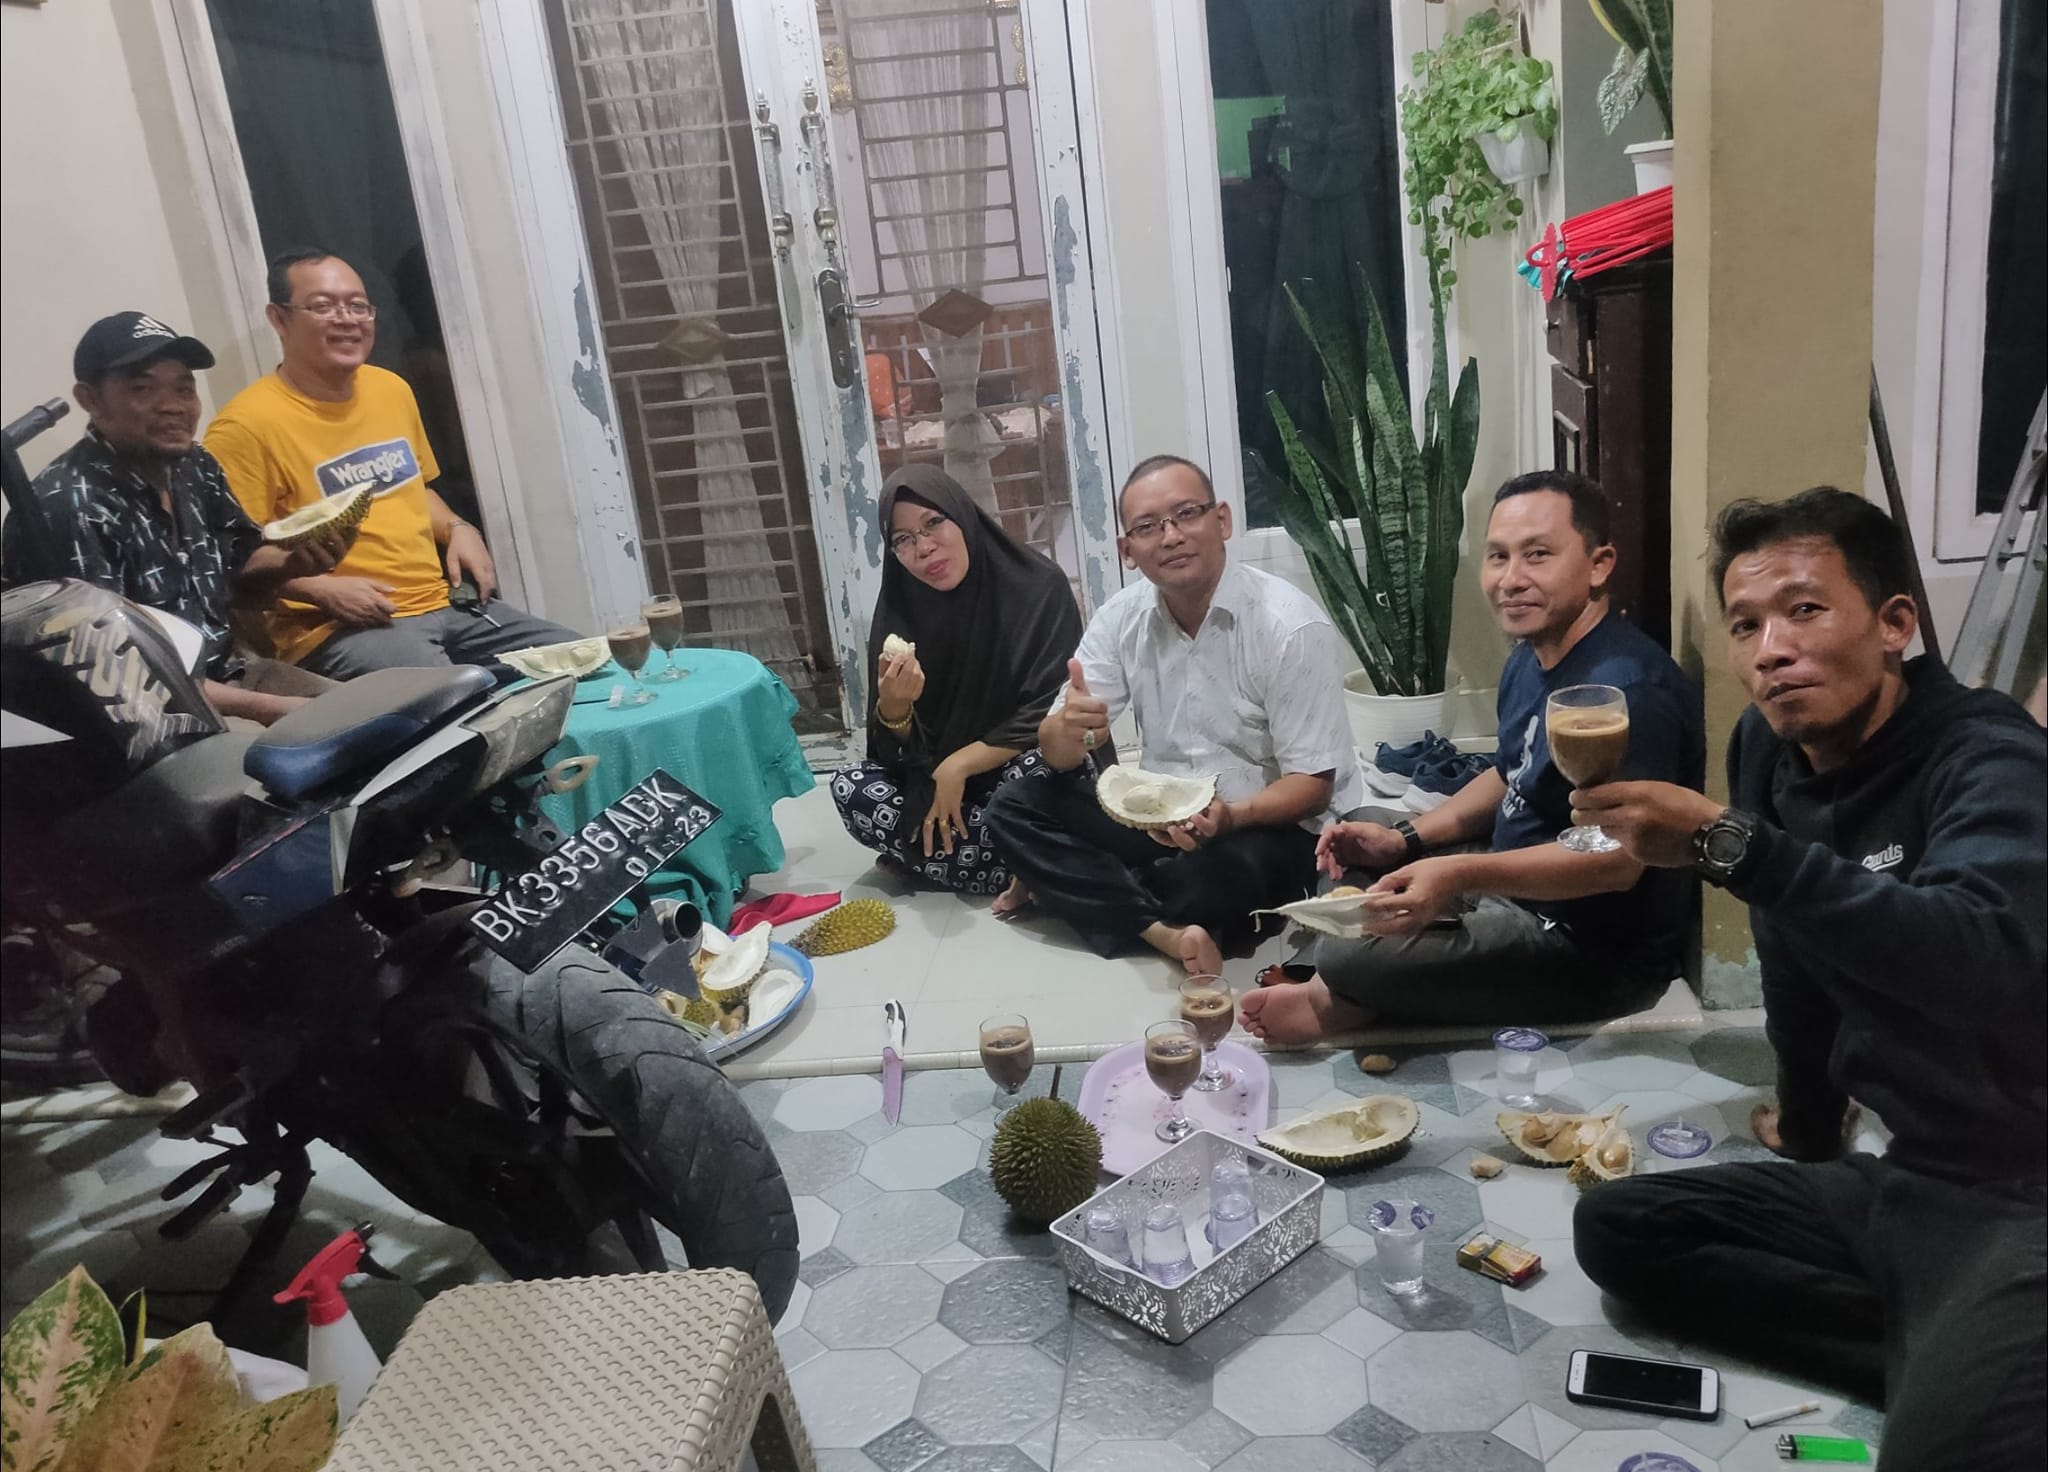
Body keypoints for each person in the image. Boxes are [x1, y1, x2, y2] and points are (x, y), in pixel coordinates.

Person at [1569, 487, 2046, 1470]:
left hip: (2023, 1185)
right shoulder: (1766, 746)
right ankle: (1953, 1357)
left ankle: (1968, 1378)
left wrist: (1731, 845)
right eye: (1745, 624)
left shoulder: (1988, 756)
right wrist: (1809, 1127)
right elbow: (1791, 958)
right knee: (1619, 1230)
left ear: (1893, 623)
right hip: (1913, 1177)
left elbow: (1979, 959)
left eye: (1804, 610)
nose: (1770, 650)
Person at [1240, 470, 1703, 1043]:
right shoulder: (1532, 655)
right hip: (1511, 876)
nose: (1511, 580)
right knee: (1358, 829)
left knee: (1346, 953)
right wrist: (1405, 839)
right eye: (1498, 556)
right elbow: (1508, 775)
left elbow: (1616, 863)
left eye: (1538, 555)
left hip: (1584, 944)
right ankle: (1366, 977)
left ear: (1599, 564)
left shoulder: (1626, 694)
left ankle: (1337, 993)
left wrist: (1456, 872)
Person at [981, 454, 1364, 976]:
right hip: (1159, 812)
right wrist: (1067, 730)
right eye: (1147, 527)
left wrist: (1230, 817)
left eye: (1187, 514)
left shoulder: (1288, 626)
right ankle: (1161, 931)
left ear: (1221, 520)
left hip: (1263, 822)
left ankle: (1082, 888)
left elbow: (1313, 787)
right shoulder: (1121, 618)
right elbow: (1057, 752)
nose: (1171, 537)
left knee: (1213, 882)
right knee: (1011, 806)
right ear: (1127, 551)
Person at [205, 248, 576, 676]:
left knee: (584, 664)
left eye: (358, 306)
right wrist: (321, 590)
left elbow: (412, 488)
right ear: (279, 319)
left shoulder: (390, 390)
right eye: (323, 306)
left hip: (444, 605)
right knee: (459, 702)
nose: (347, 319)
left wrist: (459, 527)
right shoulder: (245, 427)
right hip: (340, 629)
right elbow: (227, 562)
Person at [1, 312, 341, 725]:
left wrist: (294, 562)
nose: (173, 406)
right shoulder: (68, 509)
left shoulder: (195, 465)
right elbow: (117, 671)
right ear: (91, 400)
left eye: (184, 388)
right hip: (146, 717)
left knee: (381, 721)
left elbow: (242, 561)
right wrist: (275, 711)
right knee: (325, 744)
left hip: (231, 672)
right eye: (143, 388)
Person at [828, 465, 1082, 894]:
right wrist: (895, 709)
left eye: (933, 523)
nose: (924, 548)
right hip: (937, 788)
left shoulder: (1038, 588)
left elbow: (1052, 706)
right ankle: (1030, 867)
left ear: (962, 515)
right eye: (903, 540)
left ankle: (935, 861)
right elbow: (891, 757)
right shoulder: (900, 612)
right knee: (850, 786)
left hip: (1012, 771)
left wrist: (959, 765)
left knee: (1050, 766)